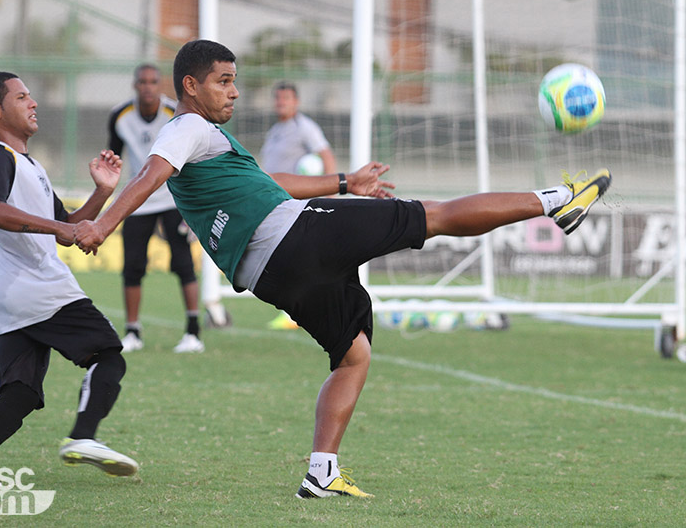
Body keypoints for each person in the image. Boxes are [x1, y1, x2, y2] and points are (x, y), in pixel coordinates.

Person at [72, 40, 611, 499]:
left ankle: (321, 474)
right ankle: (558, 199)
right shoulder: (185, 127)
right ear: (190, 86)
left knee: (353, 355)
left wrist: (346, 183)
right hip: (299, 238)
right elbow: (151, 173)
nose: (234, 92)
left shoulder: (210, 143)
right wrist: (102, 226)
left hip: (270, 274)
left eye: (235, 82)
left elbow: (273, 182)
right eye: (224, 81)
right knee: (436, 216)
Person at [0, 72, 138, 486]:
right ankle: (83, 438)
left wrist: (101, 193)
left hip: (10, 299)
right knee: (108, 355)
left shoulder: (28, 164)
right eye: (22, 96)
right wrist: (58, 230)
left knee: (21, 394)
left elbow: (66, 227)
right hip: (40, 289)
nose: (34, 103)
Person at [108, 63, 204, 354]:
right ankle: (133, 332)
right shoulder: (120, 116)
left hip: (172, 198)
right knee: (133, 267)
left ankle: (193, 332)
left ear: (160, 85)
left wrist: (194, 205)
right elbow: (114, 156)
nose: (148, 87)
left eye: (153, 81)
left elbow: (191, 157)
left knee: (183, 264)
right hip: (139, 200)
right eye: (142, 82)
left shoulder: (174, 113)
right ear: (135, 85)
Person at [260, 81, 338, 330]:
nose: (281, 102)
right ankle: (300, 309)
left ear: (296, 102)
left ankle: (299, 312)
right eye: (278, 98)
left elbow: (326, 156)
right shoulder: (274, 131)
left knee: (297, 256)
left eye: (286, 98)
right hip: (275, 203)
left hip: (297, 203)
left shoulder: (305, 127)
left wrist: (331, 192)